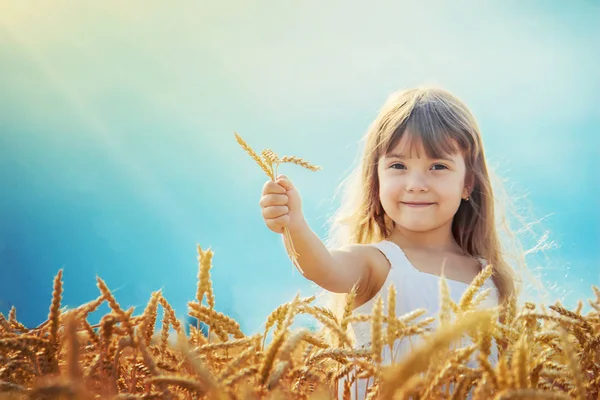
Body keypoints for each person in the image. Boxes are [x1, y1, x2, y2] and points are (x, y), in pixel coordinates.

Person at [259, 86, 522, 399]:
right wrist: (295, 224)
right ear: (377, 179)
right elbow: (324, 267)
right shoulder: (378, 263)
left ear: (468, 183)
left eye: (438, 166)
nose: (415, 185)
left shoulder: (488, 278)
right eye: (398, 166)